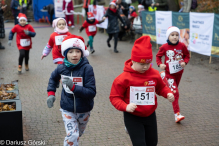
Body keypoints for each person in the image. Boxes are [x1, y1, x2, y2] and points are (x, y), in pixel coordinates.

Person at [109, 36, 174, 146]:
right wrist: (125, 107)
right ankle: (130, 128)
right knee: (139, 143)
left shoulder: (154, 74)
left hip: (150, 114)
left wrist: (168, 93)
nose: (145, 67)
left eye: (148, 64)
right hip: (132, 115)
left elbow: (161, 87)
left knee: (152, 143)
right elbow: (114, 97)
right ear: (133, 61)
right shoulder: (123, 79)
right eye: (142, 64)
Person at [46, 35, 96, 146]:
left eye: (78, 51)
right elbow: (53, 79)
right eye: (70, 52)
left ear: (82, 53)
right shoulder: (61, 68)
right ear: (65, 54)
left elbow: (91, 92)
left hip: (84, 108)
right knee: (72, 135)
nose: (74, 55)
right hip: (67, 108)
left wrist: (73, 87)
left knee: (78, 134)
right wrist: (51, 93)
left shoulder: (87, 69)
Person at [156, 26, 190, 123]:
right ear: (168, 36)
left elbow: (187, 55)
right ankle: (177, 114)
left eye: (176, 35)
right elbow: (158, 56)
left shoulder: (182, 46)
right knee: (175, 92)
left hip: (179, 73)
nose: (175, 37)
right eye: (172, 35)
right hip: (169, 73)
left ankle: (163, 78)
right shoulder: (164, 47)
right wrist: (160, 64)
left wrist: (185, 62)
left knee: (174, 89)